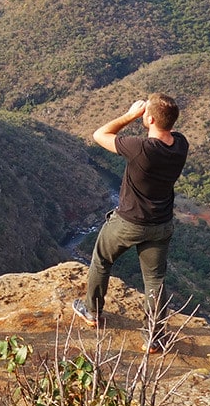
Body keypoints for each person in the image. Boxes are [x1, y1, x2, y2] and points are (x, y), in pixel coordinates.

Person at [73, 93, 188, 352]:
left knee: (102, 260)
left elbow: (99, 134)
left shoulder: (140, 148)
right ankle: (154, 337)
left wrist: (131, 115)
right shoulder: (180, 144)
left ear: (149, 118)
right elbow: (166, 130)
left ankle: (92, 312)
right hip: (161, 225)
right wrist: (153, 117)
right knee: (155, 279)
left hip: (128, 222)